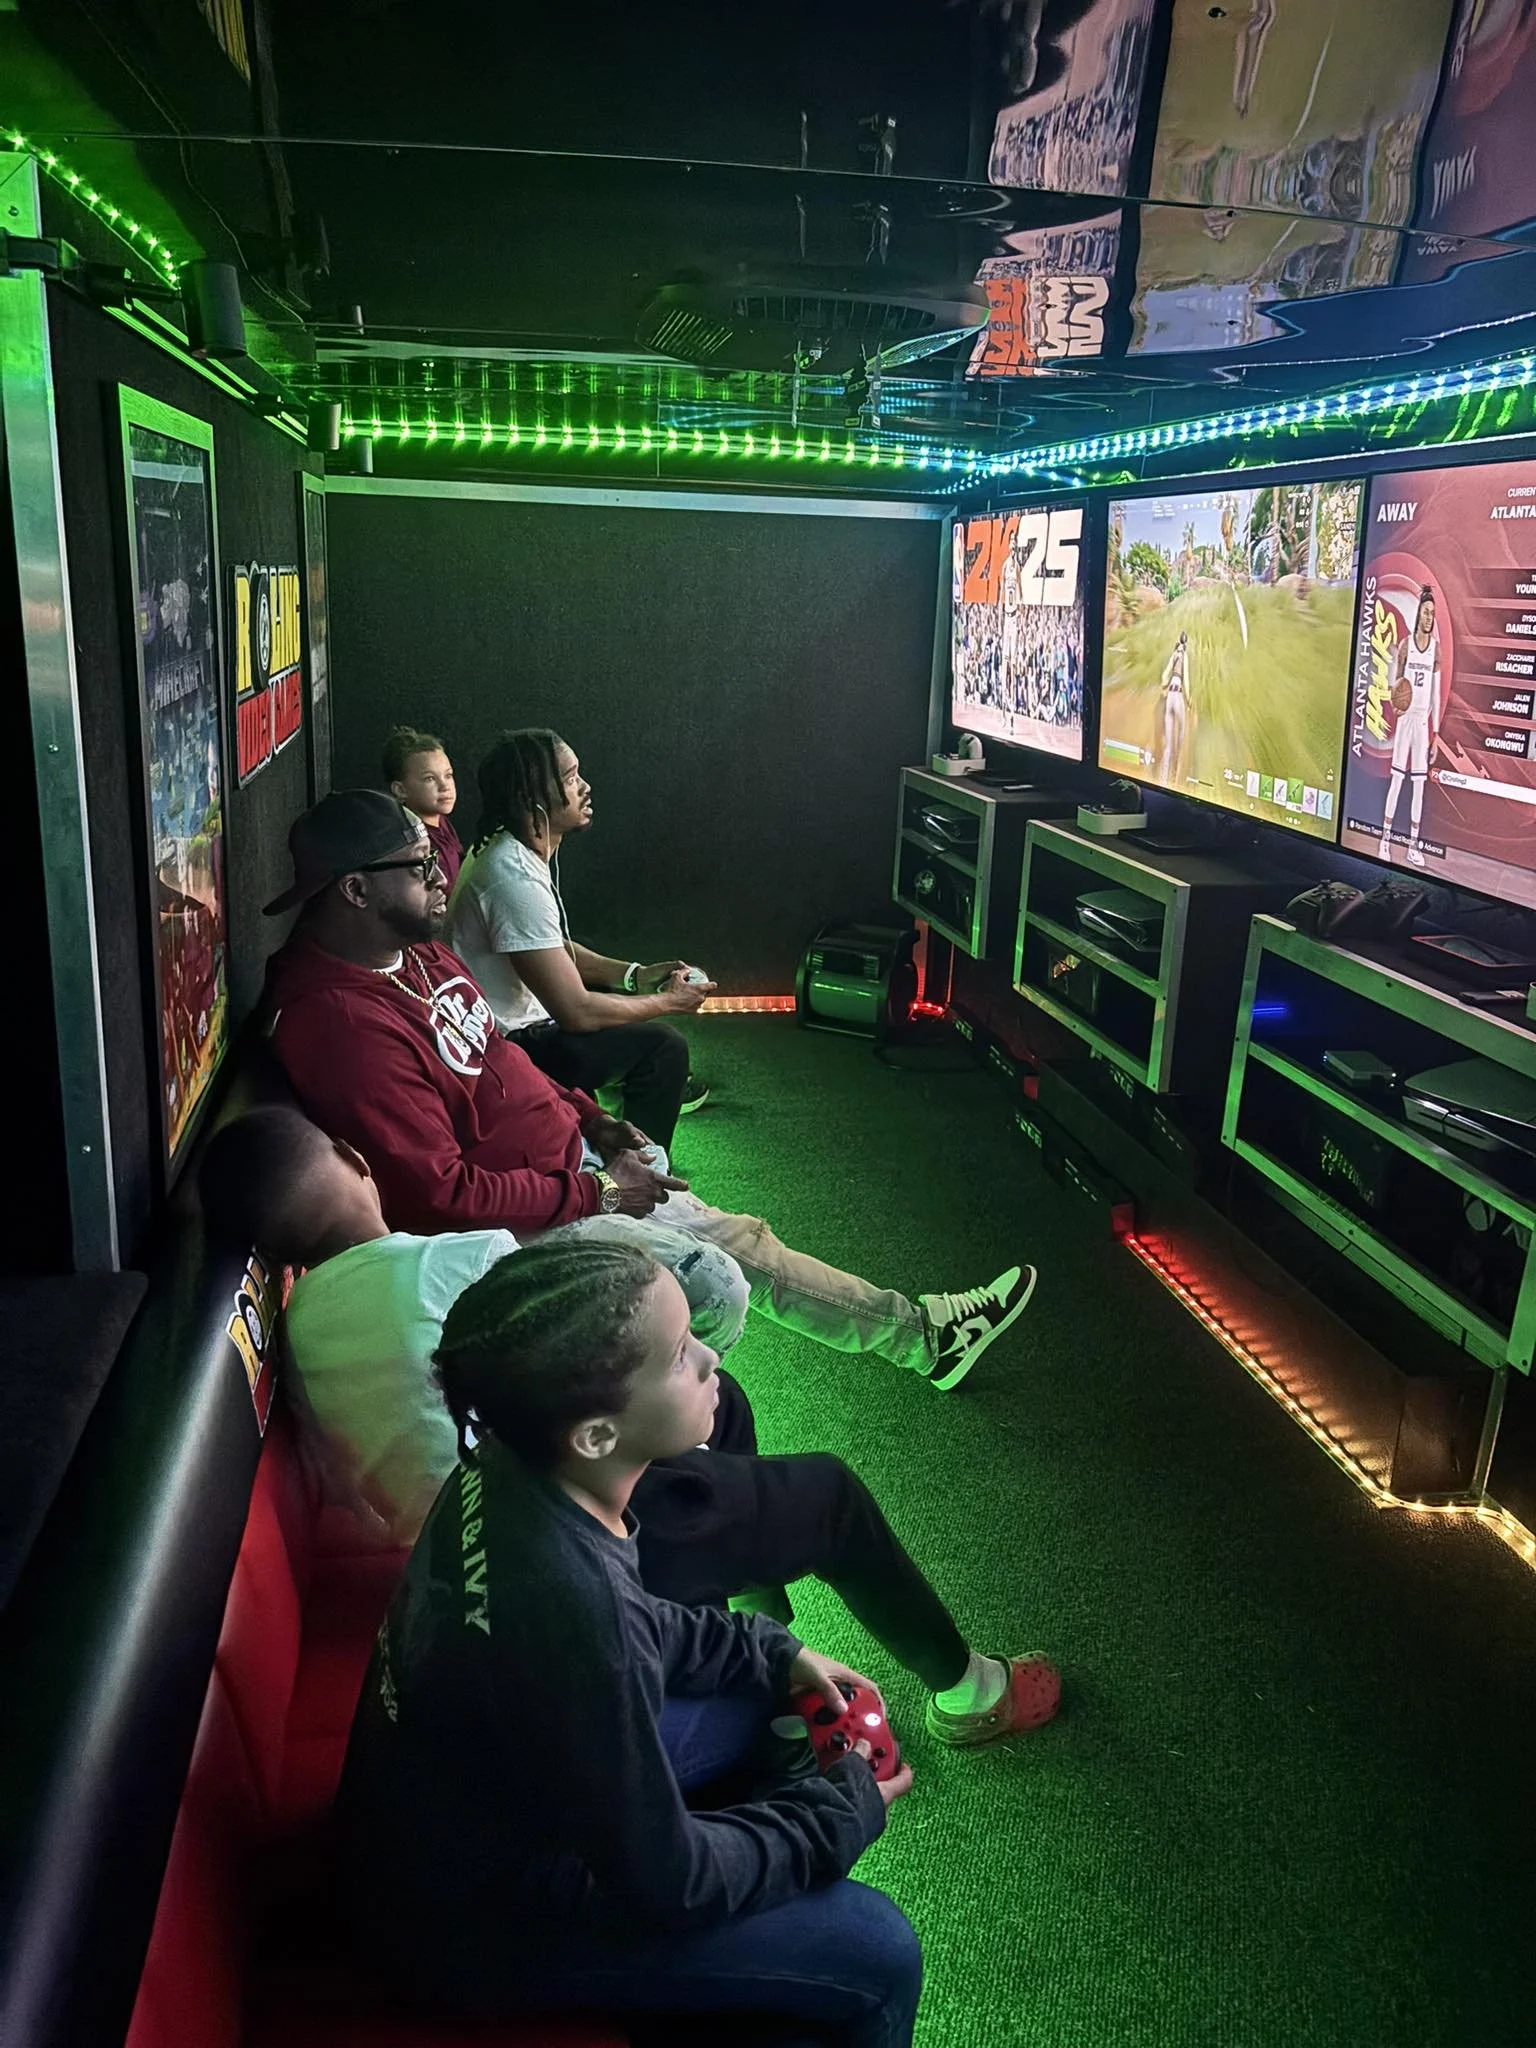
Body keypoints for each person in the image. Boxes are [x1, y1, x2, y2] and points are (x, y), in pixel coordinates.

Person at [197, 1104, 1061, 1749]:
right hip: (548, 1556)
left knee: (728, 1403)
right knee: (827, 1495)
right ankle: (971, 1694)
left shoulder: (298, 1330)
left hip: (446, 1569)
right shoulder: (458, 1261)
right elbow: (604, 1349)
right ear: (356, 1160)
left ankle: (759, 1634)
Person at [335, 1235, 923, 2046]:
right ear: (596, 1436)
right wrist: (838, 1813)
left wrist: (771, 1650)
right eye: (680, 1356)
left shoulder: (506, 1459)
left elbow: (636, 1621)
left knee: (757, 1698)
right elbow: (675, 1882)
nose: (711, 1359)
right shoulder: (575, 1611)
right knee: (880, 1951)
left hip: (449, 1822)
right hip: (470, 1927)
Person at [262, 790, 1037, 1392]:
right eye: (419, 866)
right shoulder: (337, 1021)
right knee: (716, 1288)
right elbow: (441, 1196)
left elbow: (501, 1060)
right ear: (355, 890)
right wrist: (597, 1193)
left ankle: (926, 1338)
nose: (441, 877)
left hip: (567, 1165)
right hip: (515, 1227)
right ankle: (637, 1463)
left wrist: (594, 1124)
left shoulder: (416, 952)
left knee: (744, 1241)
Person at [447, 729, 710, 1149]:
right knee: (663, 1048)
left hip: (517, 1032)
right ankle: (645, 1171)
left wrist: (634, 975)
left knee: (621, 1018)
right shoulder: (511, 877)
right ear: (531, 799)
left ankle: (604, 1141)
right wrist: (670, 1002)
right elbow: (576, 1013)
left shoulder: (508, 850)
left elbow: (550, 949)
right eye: (569, 778)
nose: (585, 787)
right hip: (502, 1049)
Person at [1379, 587, 1443, 870]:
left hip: (1422, 724)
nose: (1429, 617)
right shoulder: (1406, 645)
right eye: (1426, 612)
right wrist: (1396, 704)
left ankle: (1413, 846)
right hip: (1405, 721)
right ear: (1418, 614)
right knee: (1396, 780)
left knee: (1419, 785)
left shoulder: (1435, 649)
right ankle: (1385, 840)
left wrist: (1436, 734)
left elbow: (1435, 695)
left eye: (1433, 613)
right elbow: (1396, 687)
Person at [383, 724, 463, 891]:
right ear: (400, 790)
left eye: (448, 775)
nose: (445, 786)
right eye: (429, 779)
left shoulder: (441, 822)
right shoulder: (412, 845)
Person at [1159, 631, 1193, 788]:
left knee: (1168, 745)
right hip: (1178, 695)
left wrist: (1165, 686)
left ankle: (1163, 780)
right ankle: (1175, 773)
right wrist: (1189, 699)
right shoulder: (1184, 656)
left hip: (1169, 698)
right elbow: (1186, 681)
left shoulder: (1173, 656)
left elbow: (1163, 677)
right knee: (1181, 732)